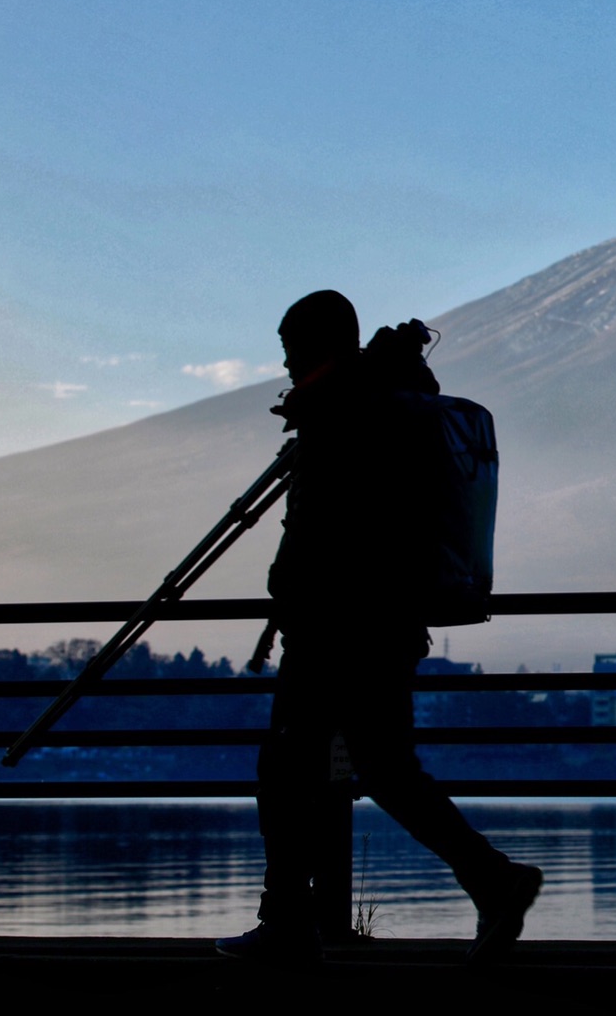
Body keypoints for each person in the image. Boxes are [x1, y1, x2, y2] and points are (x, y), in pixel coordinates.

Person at [216, 289, 540, 965]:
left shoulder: (344, 414)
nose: (288, 370)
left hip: (336, 627)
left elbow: (319, 533)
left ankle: (286, 920)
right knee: (387, 768)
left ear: (317, 349)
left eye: (292, 355)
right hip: (389, 623)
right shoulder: (392, 405)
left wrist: (288, 590)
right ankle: (493, 878)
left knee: (284, 770)